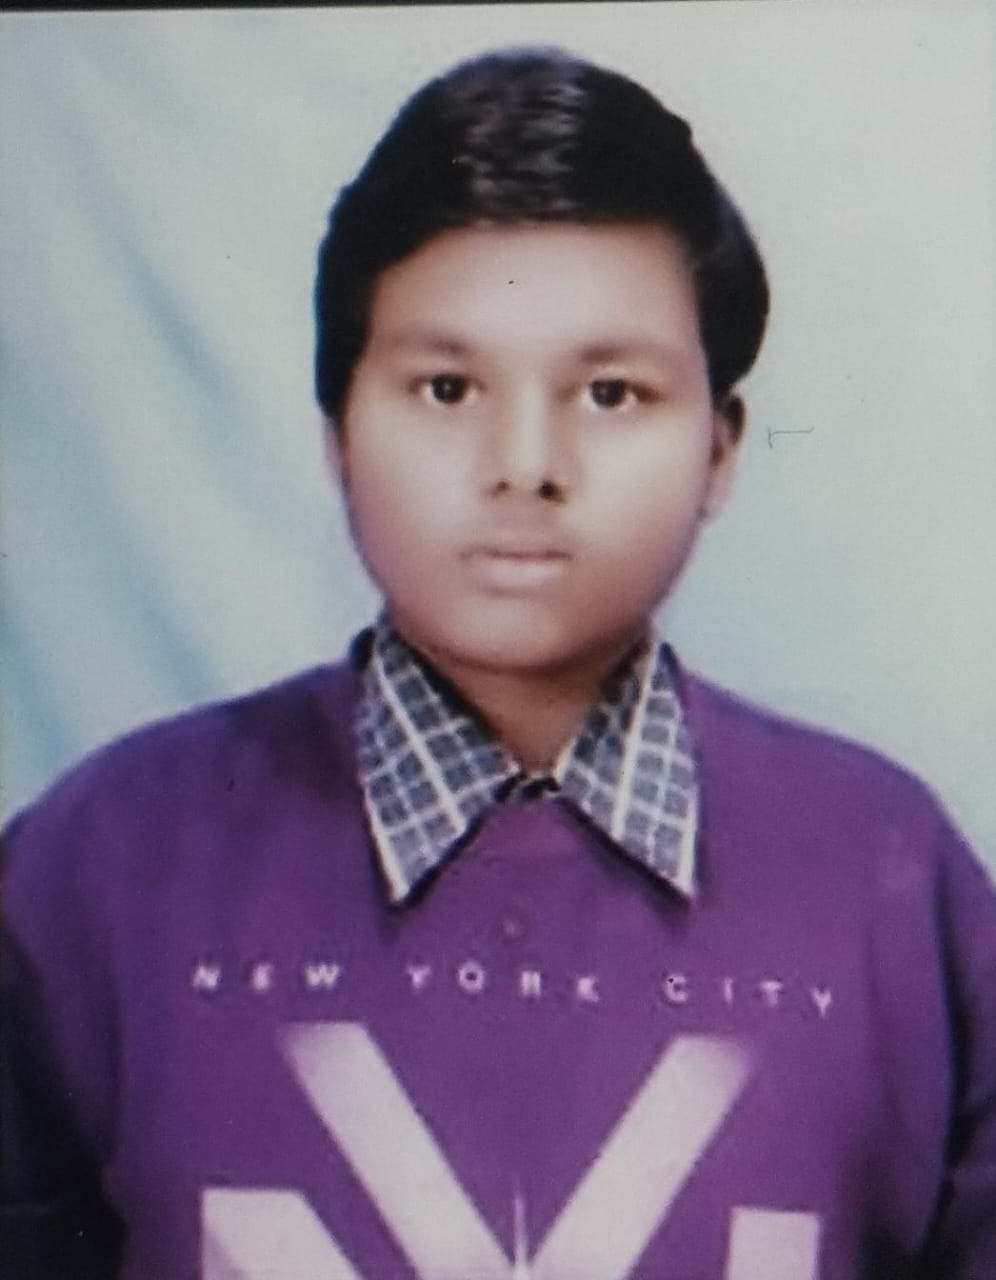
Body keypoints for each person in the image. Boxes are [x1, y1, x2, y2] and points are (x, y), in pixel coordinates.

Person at [2, 45, 994, 1280]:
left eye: (612, 393)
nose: (525, 463)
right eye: (445, 386)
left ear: (721, 450)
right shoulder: (96, 863)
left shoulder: (891, 876)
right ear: (337, 432)